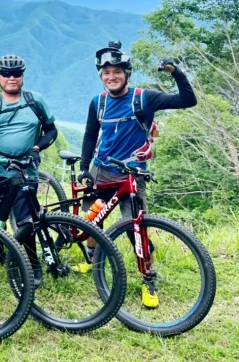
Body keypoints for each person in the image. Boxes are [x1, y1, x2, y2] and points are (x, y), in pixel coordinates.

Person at [76, 41, 197, 306]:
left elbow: (188, 100)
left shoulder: (144, 98)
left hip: (132, 174)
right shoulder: (98, 102)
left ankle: (148, 279)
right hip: (101, 169)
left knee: (135, 228)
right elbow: (90, 135)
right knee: (92, 220)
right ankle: (91, 260)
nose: (111, 77)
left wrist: (175, 72)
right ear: (101, 76)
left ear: (127, 73)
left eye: (117, 72)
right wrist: (85, 167)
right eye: (106, 73)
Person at [0, 55, 58, 288]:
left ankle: (32, 264)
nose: (11, 78)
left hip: (26, 169)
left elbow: (51, 131)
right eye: (6, 74)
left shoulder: (35, 100)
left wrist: (37, 148)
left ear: (22, 76)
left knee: (25, 220)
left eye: (16, 74)